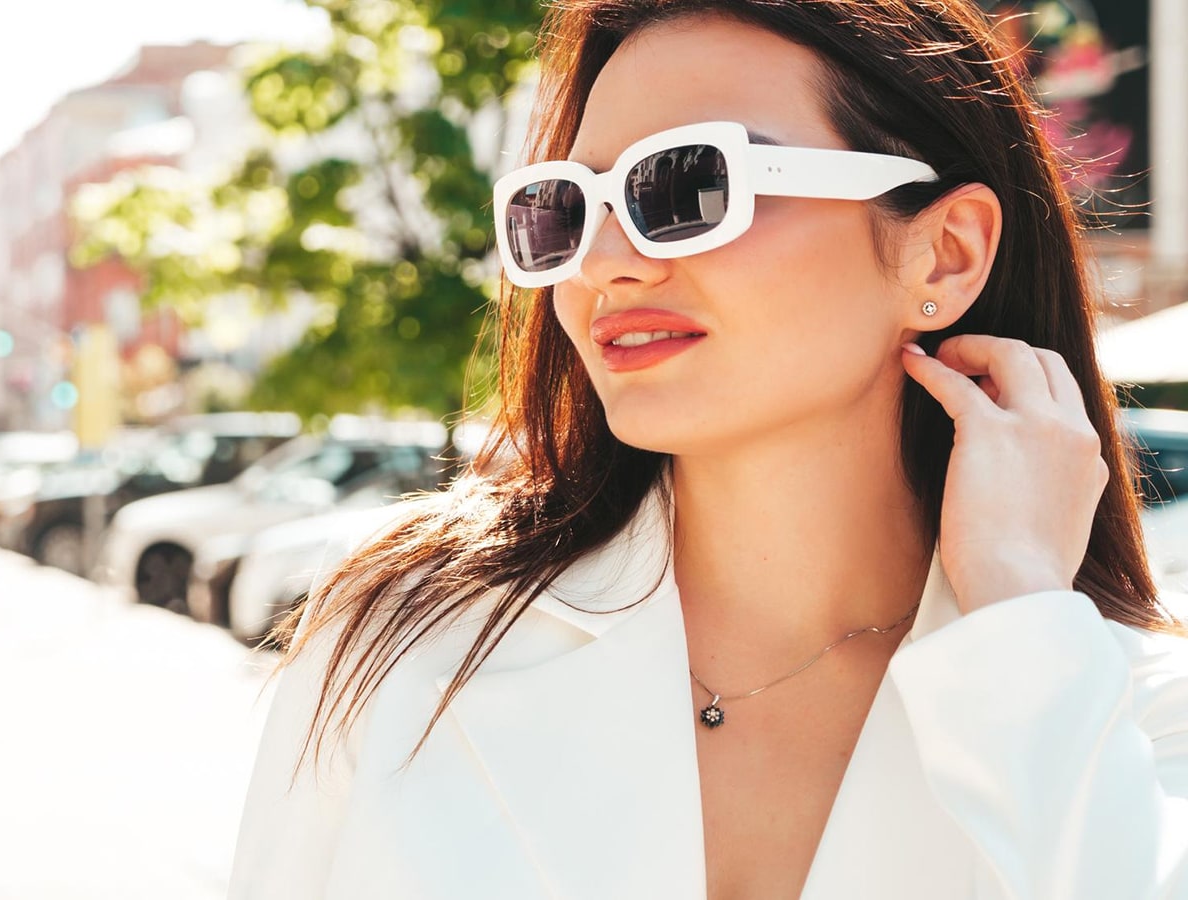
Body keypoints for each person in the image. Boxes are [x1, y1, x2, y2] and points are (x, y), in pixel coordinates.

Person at [229, 2, 1188, 899]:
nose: (605, 262)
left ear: (943, 253)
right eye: (567, 207)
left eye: (688, 185)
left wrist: (1020, 600)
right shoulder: (400, 638)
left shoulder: (1133, 716)